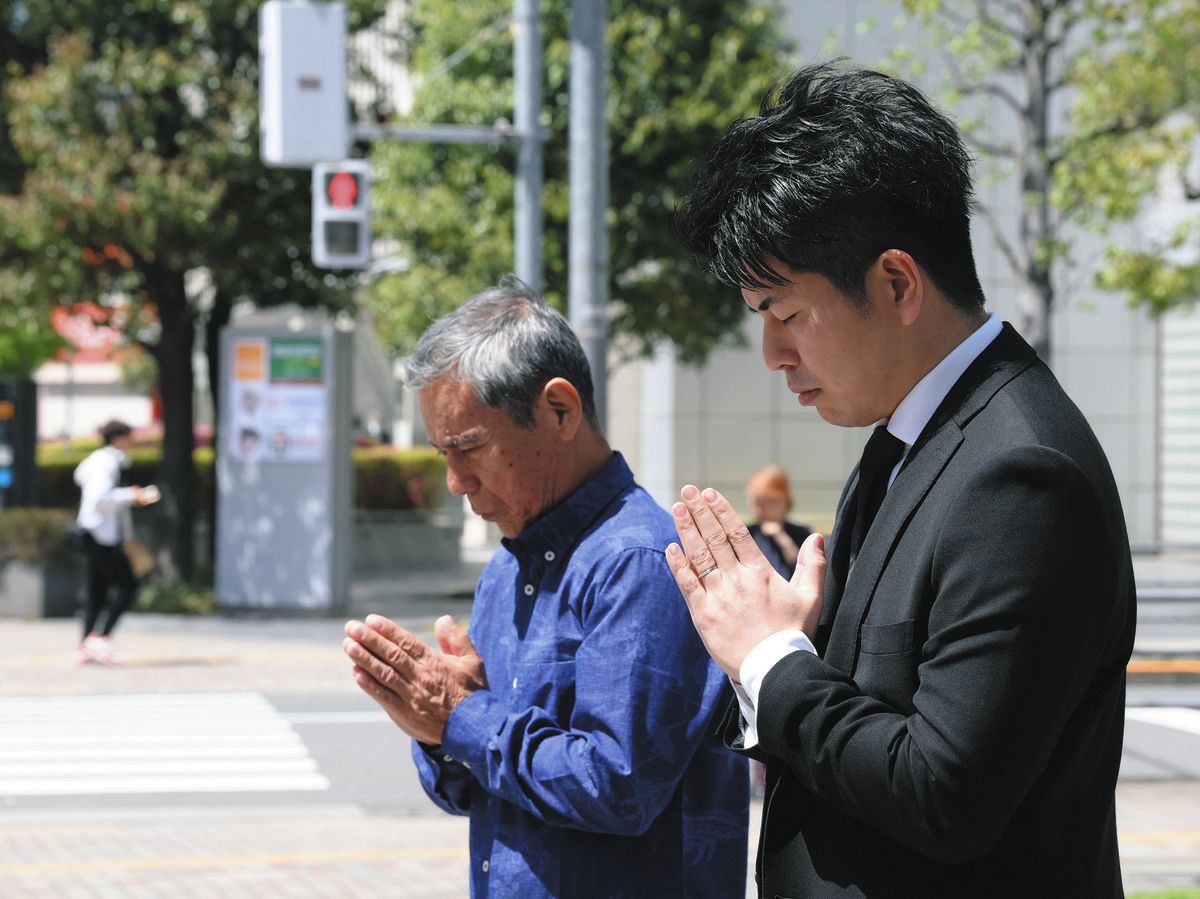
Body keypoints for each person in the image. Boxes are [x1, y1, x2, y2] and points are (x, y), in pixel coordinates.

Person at [665, 63, 1135, 897]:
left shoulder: (1022, 475)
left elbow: (943, 792)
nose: (773, 355)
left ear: (895, 283)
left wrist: (771, 658)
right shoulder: (910, 436)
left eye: (784, 314)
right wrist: (796, 645)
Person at [342, 283, 748, 897]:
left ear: (560, 411)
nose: (454, 481)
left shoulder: (640, 560)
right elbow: (477, 787)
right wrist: (439, 732)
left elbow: (618, 786)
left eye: (469, 447)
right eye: (441, 454)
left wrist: (459, 715)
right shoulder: (507, 570)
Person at [73, 419, 158, 665]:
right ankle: (100, 638)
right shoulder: (106, 462)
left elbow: (81, 479)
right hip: (101, 534)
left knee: (96, 591)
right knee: (128, 585)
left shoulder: (96, 459)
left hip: (94, 532)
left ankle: (86, 645)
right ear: (119, 438)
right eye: (129, 438)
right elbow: (100, 498)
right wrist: (132, 495)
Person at [745, 464, 811, 579]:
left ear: (784, 502)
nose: (759, 509)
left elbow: (807, 571)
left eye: (767, 502)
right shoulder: (747, 534)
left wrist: (783, 540)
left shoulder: (802, 534)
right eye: (755, 503)